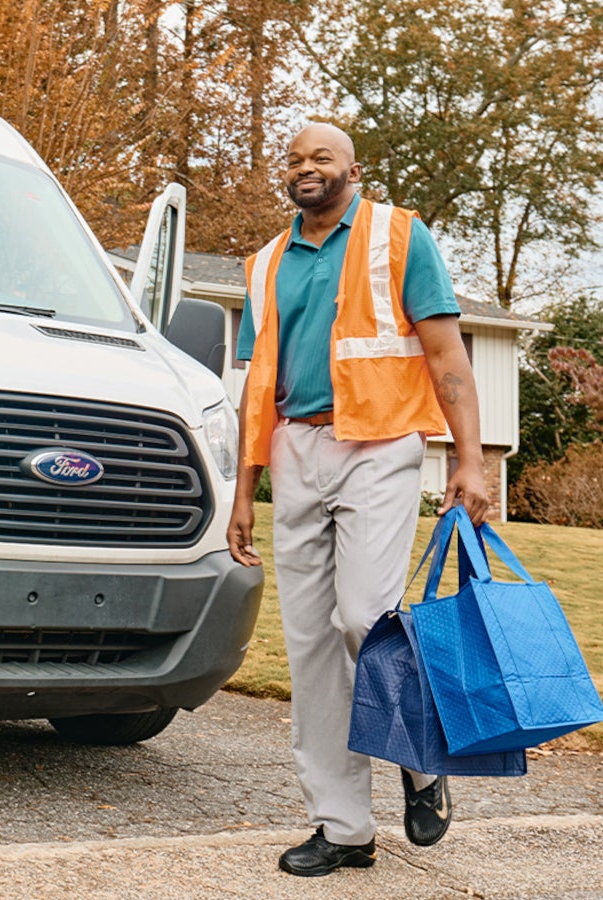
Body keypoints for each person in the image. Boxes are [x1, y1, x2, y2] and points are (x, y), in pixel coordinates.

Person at [227, 122, 490, 878]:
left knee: (364, 622)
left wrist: (469, 464)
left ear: (353, 170)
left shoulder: (398, 237)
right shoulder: (267, 261)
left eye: (323, 158)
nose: (306, 169)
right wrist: (245, 491)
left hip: (381, 445)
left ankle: (420, 761)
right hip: (296, 450)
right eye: (296, 159)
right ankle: (343, 829)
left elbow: (447, 355)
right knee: (310, 647)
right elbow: (255, 386)